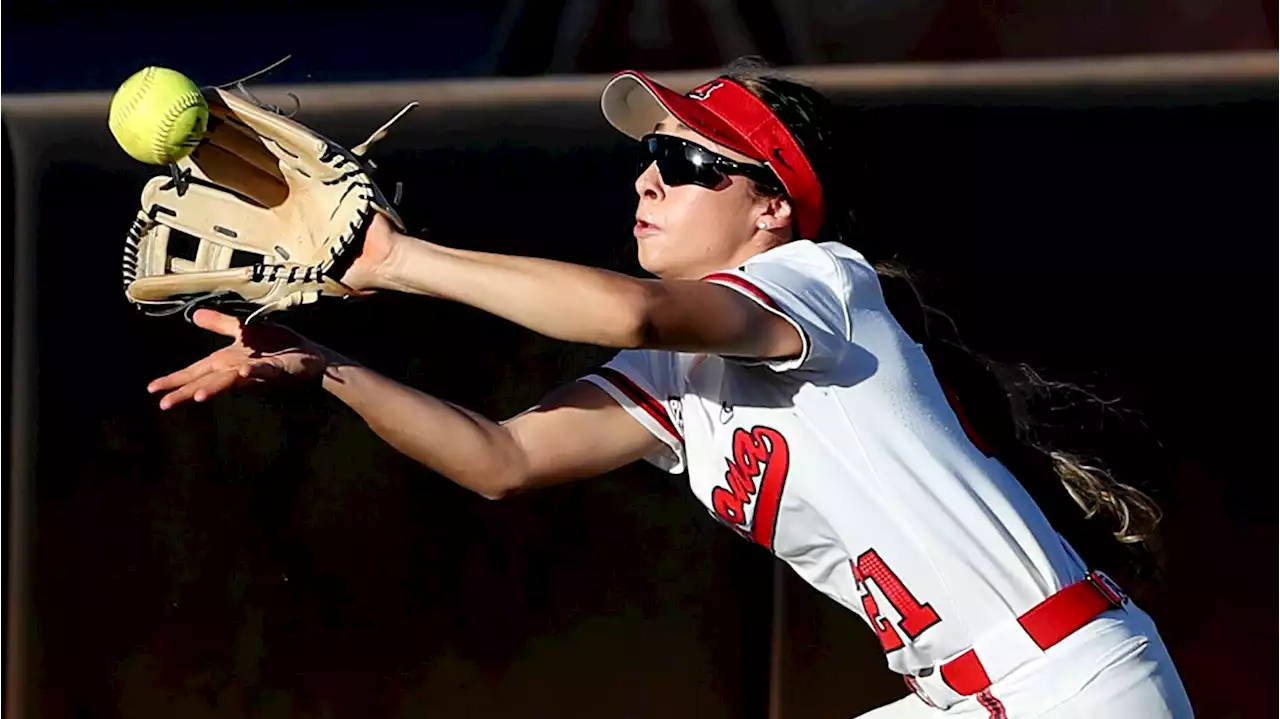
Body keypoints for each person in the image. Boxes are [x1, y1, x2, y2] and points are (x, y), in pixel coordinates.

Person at [147, 59, 1194, 718]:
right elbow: (498, 458)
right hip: (977, 691)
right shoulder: (676, 383)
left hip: (1070, 688)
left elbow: (632, 311)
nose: (646, 176)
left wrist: (393, 260)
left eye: (685, 159)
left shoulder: (814, 282)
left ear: (772, 208)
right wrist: (322, 365)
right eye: (647, 155)